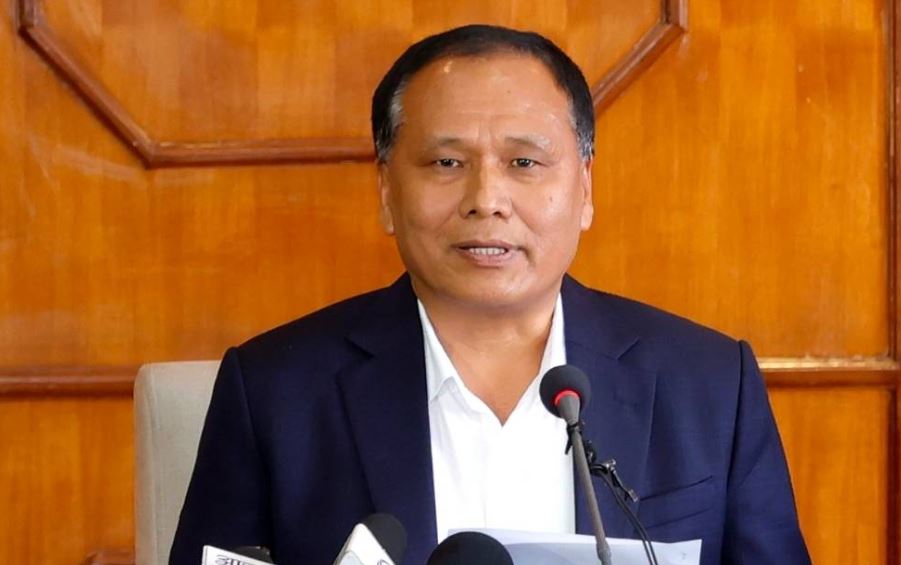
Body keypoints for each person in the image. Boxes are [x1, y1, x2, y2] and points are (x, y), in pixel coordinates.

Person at [170, 24, 810, 565]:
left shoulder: (709, 385)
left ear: (584, 187)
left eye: (524, 163)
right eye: (446, 163)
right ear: (387, 191)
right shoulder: (275, 392)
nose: (486, 200)